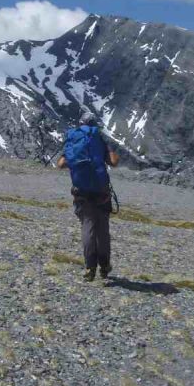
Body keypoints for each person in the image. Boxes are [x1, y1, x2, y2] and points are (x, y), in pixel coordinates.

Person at [57, 111, 119, 282]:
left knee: (87, 227)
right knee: (103, 231)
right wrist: (110, 150)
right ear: (94, 124)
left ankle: (90, 267)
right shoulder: (99, 138)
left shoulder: (74, 139)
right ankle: (105, 267)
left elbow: (61, 164)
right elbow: (114, 162)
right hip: (101, 191)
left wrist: (76, 162)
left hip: (81, 192)